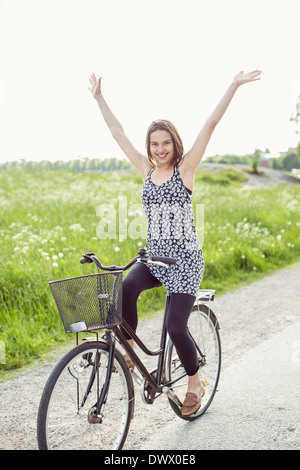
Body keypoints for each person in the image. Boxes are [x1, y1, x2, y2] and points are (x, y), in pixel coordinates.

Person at [89, 70, 262, 416]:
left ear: (174, 144)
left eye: (165, 143)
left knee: (175, 325)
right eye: (154, 143)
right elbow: (117, 132)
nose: (159, 149)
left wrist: (233, 85)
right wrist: (99, 98)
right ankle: (127, 349)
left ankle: (195, 380)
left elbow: (210, 125)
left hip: (183, 262)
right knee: (125, 288)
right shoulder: (146, 170)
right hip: (155, 258)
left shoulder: (186, 170)